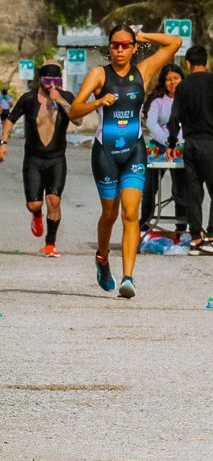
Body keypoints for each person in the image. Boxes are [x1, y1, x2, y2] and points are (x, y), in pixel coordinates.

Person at [69, 25, 182, 297]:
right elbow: (74, 111)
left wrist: (143, 36)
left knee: (130, 213)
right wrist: (97, 103)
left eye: (125, 44)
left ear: (133, 47)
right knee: (109, 214)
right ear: (110, 47)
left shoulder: (142, 72)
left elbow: (174, 42)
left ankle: (128, 278)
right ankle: (102, 257)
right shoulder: (99, 74)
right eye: (115, 45)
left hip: (134, 151)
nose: (119, 49)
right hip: (105, 152)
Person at [166, 44, 213, 256]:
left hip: (190, 144)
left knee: (194, 192)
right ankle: (212, 235)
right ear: (207, 63)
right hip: (210, 142)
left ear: (187, 64)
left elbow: (174, 118)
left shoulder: (183, 86)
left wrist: (171, 144)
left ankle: (195, 237)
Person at [0, 63, 75, 256]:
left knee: (54, 200)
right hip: (33, 158)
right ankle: (36, 215)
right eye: (48, 80)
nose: (52, 85)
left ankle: (50, 244)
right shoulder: (29, 98)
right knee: (34, 204)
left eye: (56, 81)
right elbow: (10, 118)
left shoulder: (66, 97)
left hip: (57, 158)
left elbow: (78, 119)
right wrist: (3, 142)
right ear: (40, 79)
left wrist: (60, 101)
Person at [140, 63, 186, 233]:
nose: (172, 82)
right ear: (163, 82)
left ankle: (181, 228)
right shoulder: (157, 101)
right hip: (160, 147)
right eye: (168, 79)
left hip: (182, 149)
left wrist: (179, 144)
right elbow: (151, 123)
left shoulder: (189, 98)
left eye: (176, 78)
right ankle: (145, 224)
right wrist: (169, 142)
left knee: (181, 189)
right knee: (150, 188)